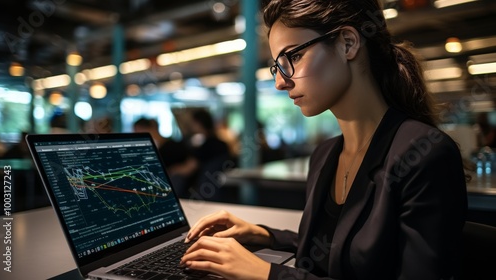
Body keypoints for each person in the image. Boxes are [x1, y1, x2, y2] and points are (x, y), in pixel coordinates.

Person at [179, 0, 468, 279]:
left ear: (348, 43)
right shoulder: (326, 154)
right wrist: (264, 234)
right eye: (277, 65)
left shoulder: (424, 154)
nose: (280, 81)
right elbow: (341, 249)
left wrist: (268, 274)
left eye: (293, 57)